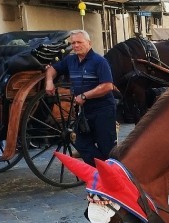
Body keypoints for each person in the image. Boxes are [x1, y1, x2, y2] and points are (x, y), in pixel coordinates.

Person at [44, 29, 117, 165]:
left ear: (88, 43)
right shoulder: (70, 60)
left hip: (103, 109)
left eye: (79, 42)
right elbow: (52, 69)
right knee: (80, 142)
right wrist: (49, 81)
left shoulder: (99, 61)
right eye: (73, 43)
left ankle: (111, 174)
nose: (76, 45)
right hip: (85, 111)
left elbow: (107, 86)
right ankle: (103, 169)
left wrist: (85, 95)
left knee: (106, 147)